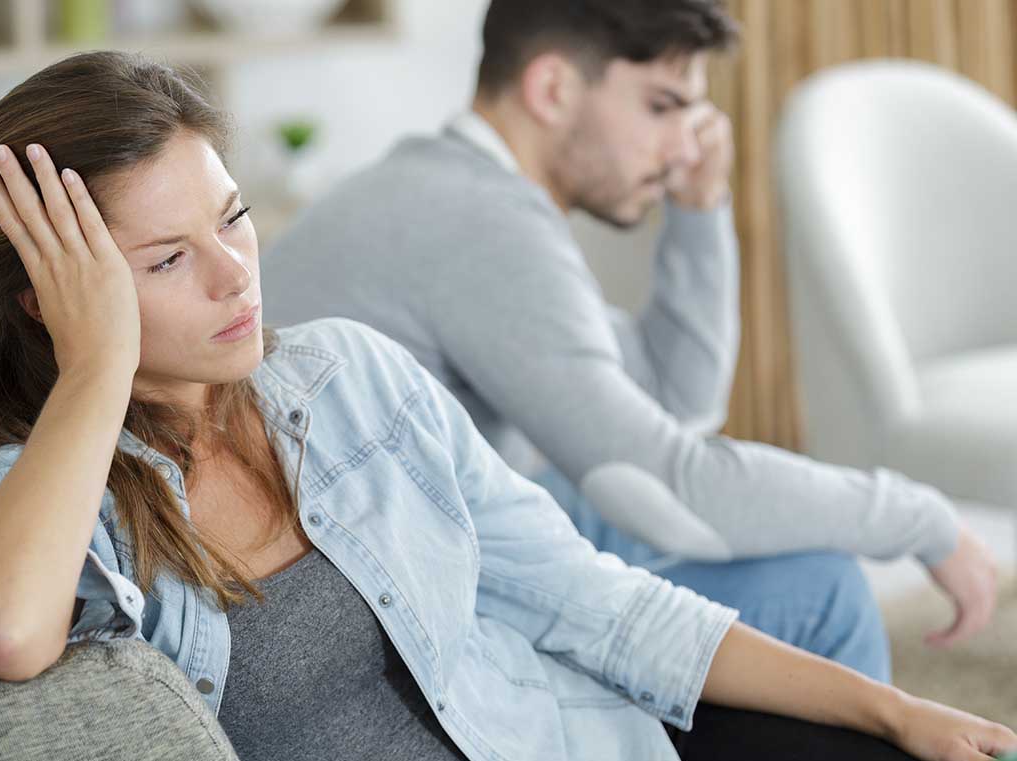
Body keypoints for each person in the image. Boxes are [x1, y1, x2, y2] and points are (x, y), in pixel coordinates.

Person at [0, 51, 1014, 761]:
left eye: (232, 218)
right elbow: (1, 634)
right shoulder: (31, 496)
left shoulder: (349, 376)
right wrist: (98, 371)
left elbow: (591, 599)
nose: (240, 276)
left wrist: (894, 701)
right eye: (170, 260)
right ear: (59, 297)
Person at [260, 0, 998, 683]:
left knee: (655, 505)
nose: (685, 146)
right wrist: (920, 516)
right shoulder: (482, 224)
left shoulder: (452, 188)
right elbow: (672, 494)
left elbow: (676, 404)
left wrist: (699, 210)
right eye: (662, 106)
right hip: (385, 615)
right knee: (820, 591)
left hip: (411, 548)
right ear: (552, 90)